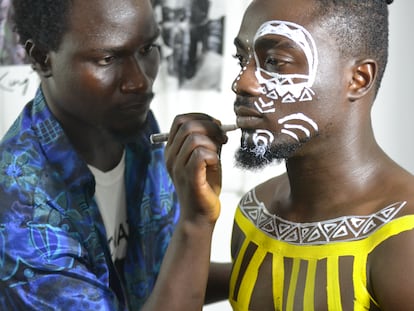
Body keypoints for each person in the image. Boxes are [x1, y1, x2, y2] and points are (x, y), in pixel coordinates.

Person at [165, 0, 414, 309]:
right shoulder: (255, 214)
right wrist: (195, 219)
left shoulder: (404, 238)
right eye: (242, 59)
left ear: (358, 79)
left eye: (275, 62)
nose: (241, 83)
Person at [0, 0, 229, 310]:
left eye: (147, 49)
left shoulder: (135, 127)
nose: (140, 81)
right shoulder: (19, 212)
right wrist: (196, 221)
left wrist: (269, 266)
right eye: (108, 58)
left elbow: (162, 275)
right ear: (42, 58)